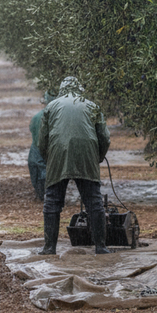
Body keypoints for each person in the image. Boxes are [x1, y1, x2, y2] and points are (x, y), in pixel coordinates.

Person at [38, 77, 111, 255]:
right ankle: (101, 247)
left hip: (58, 152)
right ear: (80, 89)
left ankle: (49, 248)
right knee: (94, 201)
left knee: (52, 202)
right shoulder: (92, 106)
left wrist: (51, 160)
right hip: (86, 153)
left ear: (62, 90)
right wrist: (97, 158)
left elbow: (42, 141)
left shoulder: (51, 107)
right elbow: (105, 138)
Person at [28, 91, 56, 200]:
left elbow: (32, 130)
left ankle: (41, 194)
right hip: (51, 148)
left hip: (37, 147)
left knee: (37, 168)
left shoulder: (37, 117)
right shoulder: (57, 116)